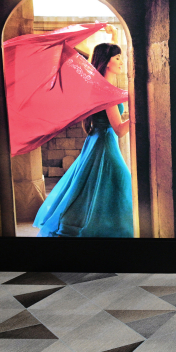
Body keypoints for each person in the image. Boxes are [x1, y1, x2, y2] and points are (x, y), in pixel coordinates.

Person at [33, 40, 133, 238]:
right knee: (118, 181)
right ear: (107, 62)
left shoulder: (100, 86)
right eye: (118, 58)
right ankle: (109, 227)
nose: (122, 62)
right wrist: (138, 114)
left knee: (91, 186)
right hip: (104, 143)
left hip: (97, 141)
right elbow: (120, 130)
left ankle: (101, 224)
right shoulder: (106, 91)